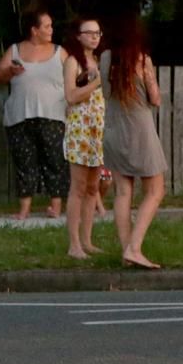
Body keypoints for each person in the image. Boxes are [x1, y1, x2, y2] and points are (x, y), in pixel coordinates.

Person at [100, 15, 167, 269]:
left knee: (123, 192)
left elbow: (105, 92)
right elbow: (155, 98)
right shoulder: (142, 59)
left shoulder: (105, 59)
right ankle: (135, 248)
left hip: (114, 127)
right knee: (155, 190)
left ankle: (126, 251)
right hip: (139, 128)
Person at [0, 10, 69, 220]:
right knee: (24, 162)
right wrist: (10, 71)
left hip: (53, 115)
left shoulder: (59, 52)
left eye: (51, 25)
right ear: (34, 30)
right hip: (20, 115)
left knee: (55, 161)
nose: (51, 30)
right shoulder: (15, 50)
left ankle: (55, 207)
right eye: (47, 26)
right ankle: (24, 210)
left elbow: (75, 76)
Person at [62, 18, 106, 259]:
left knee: (93, 188)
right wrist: (98, 81)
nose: (94, 37)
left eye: (97, 33)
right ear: (78, 36)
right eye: (88, 33)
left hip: (97, 129)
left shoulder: (101, 61)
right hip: (80, 129)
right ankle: (74, 244)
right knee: (77, 188)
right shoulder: (73, 62)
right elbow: (70, 96)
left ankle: (88, 241)